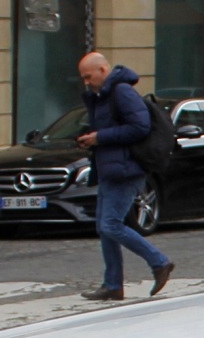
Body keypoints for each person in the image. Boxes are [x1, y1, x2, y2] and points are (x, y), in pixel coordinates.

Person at [75, 50, 174, 302]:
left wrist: (100, 137)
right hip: (110, 168)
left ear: (103, 71)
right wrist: (92, 139)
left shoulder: (122, 92)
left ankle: (159, 262)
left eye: (89, 77)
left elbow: (140, 127)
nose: (86, 82)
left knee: (111, 224)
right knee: (104, 227)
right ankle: (112, 285)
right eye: (83, 78)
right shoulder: (100, 96)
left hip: (127, 169)